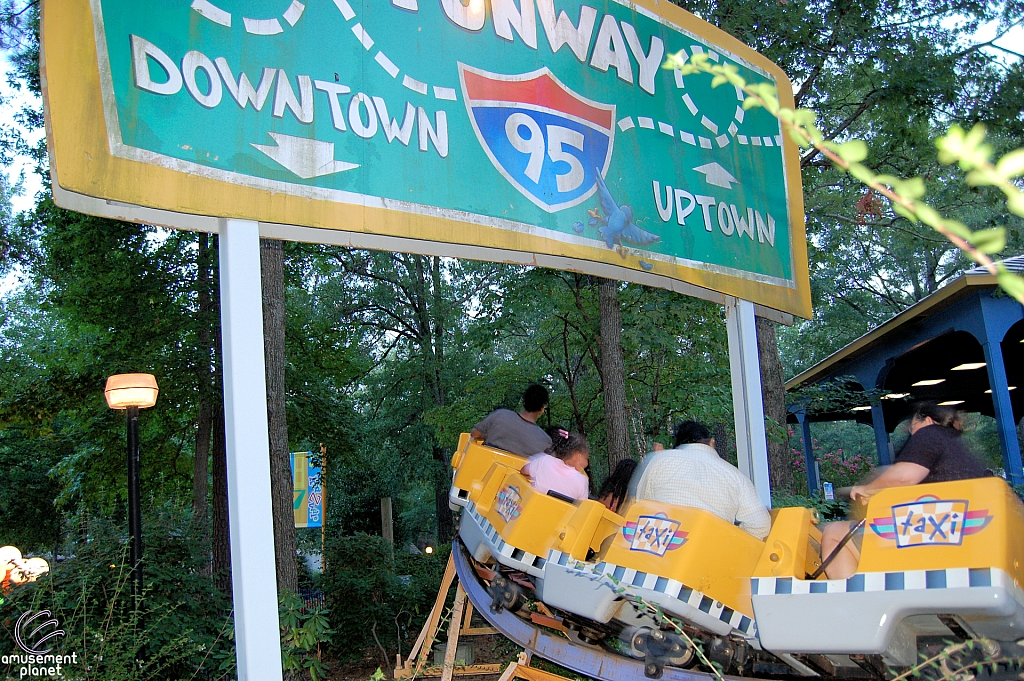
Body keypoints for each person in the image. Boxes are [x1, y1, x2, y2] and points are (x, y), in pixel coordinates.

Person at [819, 402, 989, 579]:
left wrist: (867, 489)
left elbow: (904, 477)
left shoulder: (929, 434)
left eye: (913, 425)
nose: (912, 432)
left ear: (928, 421)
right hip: (959, 532)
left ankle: (853, 599)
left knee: (834, 532)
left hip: (936, 533)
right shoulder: (956, 448)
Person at [631, 421, 771, 539]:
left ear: (678, 444)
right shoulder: (736, 476)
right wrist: (731, 544)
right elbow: (760, 525)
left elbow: (640, 508)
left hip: (663, 553)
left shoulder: (658, 461)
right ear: (711, 442)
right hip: (711, 558)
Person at [471, 384, 552, 457]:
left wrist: (486, 436)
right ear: (542, 408)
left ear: (524, 402)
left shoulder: (500, 415)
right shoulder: (545, 442)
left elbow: (474, 434)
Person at [521, 428, 590, 501]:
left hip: (531, 506)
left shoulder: (544, 460)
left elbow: (523, 470)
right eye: (585, 458)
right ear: (578, 456)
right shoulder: (582, 481)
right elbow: (581, 504)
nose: (586, 463)